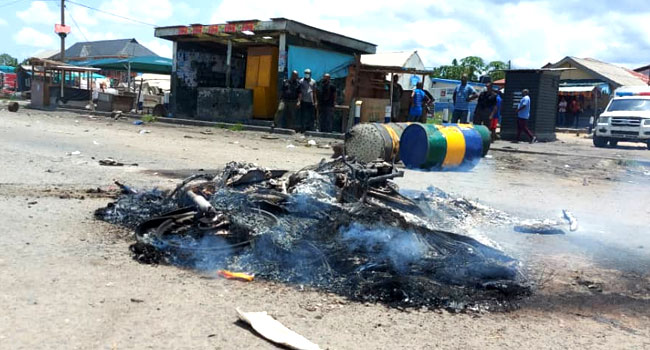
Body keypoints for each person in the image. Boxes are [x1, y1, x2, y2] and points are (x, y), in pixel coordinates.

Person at [297, 68, 317, 133]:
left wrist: (315, 101)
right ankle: (303, 129)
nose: (307, 74)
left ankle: (310, 129)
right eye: (306, 73)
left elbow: (314, 92)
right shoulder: (301, 81)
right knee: (303, 115)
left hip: (311, 101)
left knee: (311, 116)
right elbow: (299, 92)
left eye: (308, 73)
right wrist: (299, 101)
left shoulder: (313, 81)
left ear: (310, 74)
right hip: (303, 100)